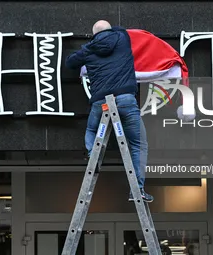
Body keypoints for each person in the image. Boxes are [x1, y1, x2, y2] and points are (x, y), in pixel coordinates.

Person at [65, 20, 153, 202]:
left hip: (101, 102)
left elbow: (70, 62)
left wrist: (88, 47)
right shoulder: (122, 37)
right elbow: (119, 28)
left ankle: (93, 156)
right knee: (137, 145)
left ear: (94, 35)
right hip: (126, 100)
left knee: (91, 130)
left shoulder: (88, 49)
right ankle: (137, 190)